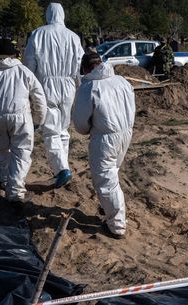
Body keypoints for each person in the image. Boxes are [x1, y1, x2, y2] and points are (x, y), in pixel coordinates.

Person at [0, 39, 47, 202]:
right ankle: (15, 191)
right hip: (20, 116)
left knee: (2, 151)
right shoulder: (24, 71)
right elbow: (39, 97)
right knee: (21, 153)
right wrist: (38, 119)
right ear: (15, 54)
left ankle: (6, 181)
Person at [71, 52, 135, 239]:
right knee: (112, 172)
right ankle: (110, 207)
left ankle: (116, 226)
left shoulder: (89, 87)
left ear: (84, 69)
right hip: (125, 133)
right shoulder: (121, 81)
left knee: (105, 179)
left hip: (105, 136)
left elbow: (80, 122)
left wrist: (89, 129)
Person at [23, 3, 85, 188]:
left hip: (46, 85)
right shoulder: (74, 37)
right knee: (63, 129)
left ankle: (62, 170)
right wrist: (81, 87)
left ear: (48, 14)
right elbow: (80, 65)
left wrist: (28, 88)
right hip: (68, 85)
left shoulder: (38, 34)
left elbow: (29, 63)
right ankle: (62, 167)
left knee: (50, 130)